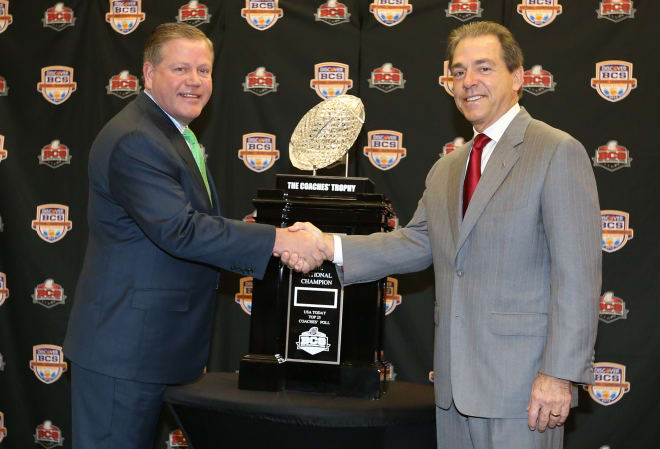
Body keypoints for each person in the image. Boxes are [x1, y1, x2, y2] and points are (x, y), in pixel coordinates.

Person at [287, 21, 601, 449]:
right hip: (453, 390)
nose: (468, 81)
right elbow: (416, 243)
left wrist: (559, 374)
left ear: (519, 77)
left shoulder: (556, 151)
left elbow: (577, 276)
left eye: (484, 68)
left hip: (524, 389)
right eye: (458, 71)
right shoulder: (447, 168)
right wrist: (327, 244)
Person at [63, 23, 326, 449]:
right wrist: (278, 240)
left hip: (153, 346)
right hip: (124, 351)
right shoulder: (136, 138)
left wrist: (250, 231)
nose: (194, 81)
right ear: (148, 74)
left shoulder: (171, 133)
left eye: (203, 71)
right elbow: (181, 230)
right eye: (180, 68)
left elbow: (182, 220)